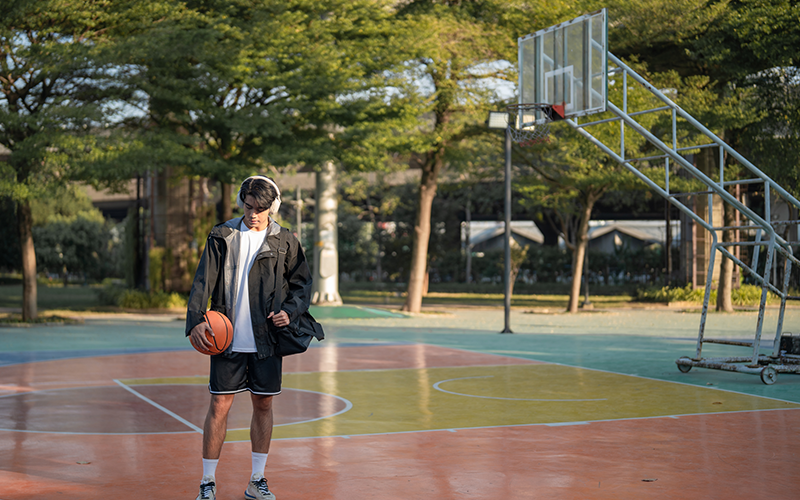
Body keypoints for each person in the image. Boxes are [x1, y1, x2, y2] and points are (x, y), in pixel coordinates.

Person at [186, 176, 312, 500]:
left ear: (273, 207)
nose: (253, 213)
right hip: (225, 337)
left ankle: (257, 480)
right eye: (248, 205)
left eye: (261, 208)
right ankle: (207, 483)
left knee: (264, 405)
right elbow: (203, 280)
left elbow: (301, 285)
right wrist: (195, 321)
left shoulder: (284, 240)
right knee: (219, 406)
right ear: (242, 202)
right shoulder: (222, 235)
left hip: (266, 339)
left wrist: (290, 311)